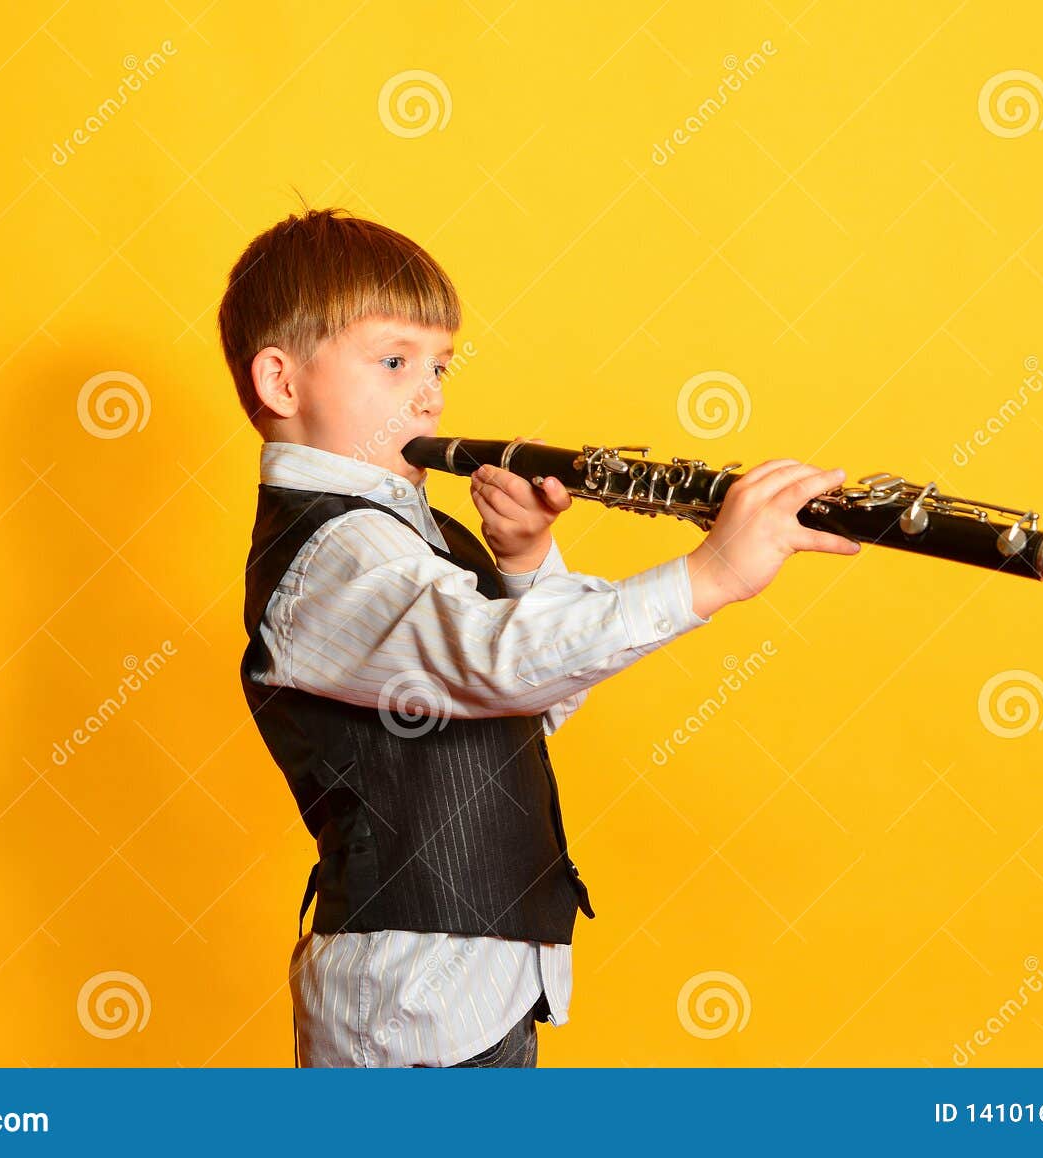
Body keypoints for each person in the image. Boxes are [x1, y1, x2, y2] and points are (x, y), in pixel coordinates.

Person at [218, 206, 860, 1067]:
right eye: (395, 360)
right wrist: (708, 577)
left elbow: (526, 705)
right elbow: (499, 663)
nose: (431, 393)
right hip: (410, 1015)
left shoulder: (419, 534)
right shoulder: (333, 554)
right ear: (282, 383)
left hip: (470, 998)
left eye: (440, 364)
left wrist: (526, 560)